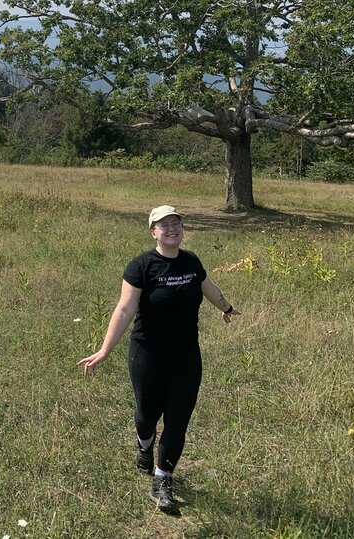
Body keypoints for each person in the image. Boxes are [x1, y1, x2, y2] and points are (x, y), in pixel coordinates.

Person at [76, 205, 239, 512]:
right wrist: (104, 350)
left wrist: (226, 307)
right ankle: (144, 444)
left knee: (178, 421)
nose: (172, 228)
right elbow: (124, 309)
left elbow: (207, 287)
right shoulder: (142, 265)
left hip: (186, 356)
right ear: (153, 232)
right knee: (146, 415)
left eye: (176, 222)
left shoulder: (191, 262)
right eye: (164, 224)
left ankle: (162, 480)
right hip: (147, 354)